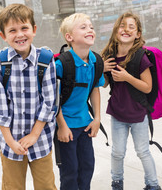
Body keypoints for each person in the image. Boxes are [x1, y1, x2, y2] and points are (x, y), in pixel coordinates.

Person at [0, 3, 57, 190]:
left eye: (24, 28)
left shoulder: (45, 59)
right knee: (13, 186)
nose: (20, 35)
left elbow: (49, 101)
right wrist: (9, 141)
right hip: (10, 139)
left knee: (46, 185)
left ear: (33, 30)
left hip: (41, 137)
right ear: (3, 35)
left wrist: (34, 134)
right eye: (12, 30)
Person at [101, 12, 162, 190]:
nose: (126, 29)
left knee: (143, 151)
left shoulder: (139, 57)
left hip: (138, 114)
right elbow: (104, 84)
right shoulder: (109, 56)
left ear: (138, 35)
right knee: (117, 152)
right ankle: (117, 183)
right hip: (118, 113)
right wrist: (101, 69)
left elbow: (147, 87)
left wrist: (127, 77)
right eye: (122, 25)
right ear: (115, 31)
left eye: (131, 27)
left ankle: (153, 185)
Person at [56, 13, 105, 190]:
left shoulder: (96, 61)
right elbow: (53, 100)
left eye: (90, 26)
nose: (89, 29)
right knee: (70, 171)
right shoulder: (61, 64)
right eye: (83, 27)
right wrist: (61, 125)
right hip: (66, 125)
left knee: (87, 167)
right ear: (69, 37)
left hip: (85, 124)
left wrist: (97, 118)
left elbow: (95, 89)